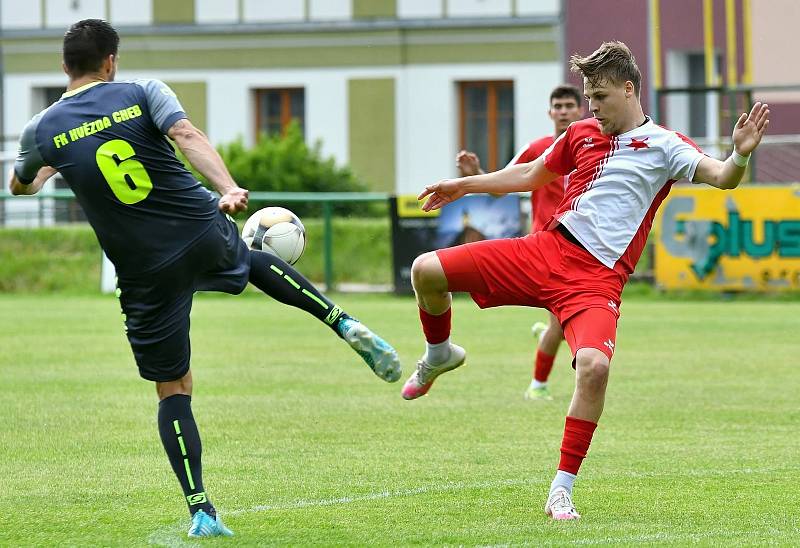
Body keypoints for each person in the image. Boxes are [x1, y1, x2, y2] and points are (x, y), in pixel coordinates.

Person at [9, 19, 401, 538]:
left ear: (65, 67)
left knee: (173, 387)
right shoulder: (143, 90)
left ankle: (201, 509)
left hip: (144, 270)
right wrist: (229, 186)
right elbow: (186, 135)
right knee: (241, 253)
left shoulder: (42, 129)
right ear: (111, 61)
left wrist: (46, 166)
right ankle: (340, 319)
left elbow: (24, 185)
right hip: (196, 224)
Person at [401, 41, 769, 520]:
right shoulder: (580, 134)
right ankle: (438, 355)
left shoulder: (666, 146)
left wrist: (739, 156)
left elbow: (722, 177)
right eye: (588, 97)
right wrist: (464, 185)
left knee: (594, 368)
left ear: (628, 88)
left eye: (600, 96)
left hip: (595, 281)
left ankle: (561, 490)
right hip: (545, 250)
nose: (593, 107)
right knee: (425, 269)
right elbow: (531, 175)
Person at [455, 85, 584, 401]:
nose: (564, 111)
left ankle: (547, 341)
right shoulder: (537, 148)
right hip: (546, 247)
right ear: (550, 113)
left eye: (570, 105)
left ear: (580, 111)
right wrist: (479, 174)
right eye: (558, 106)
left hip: (584, 247)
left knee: (565, 323)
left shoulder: (592, 148)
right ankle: (537, 386)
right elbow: (503, 185)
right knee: (563, 322)